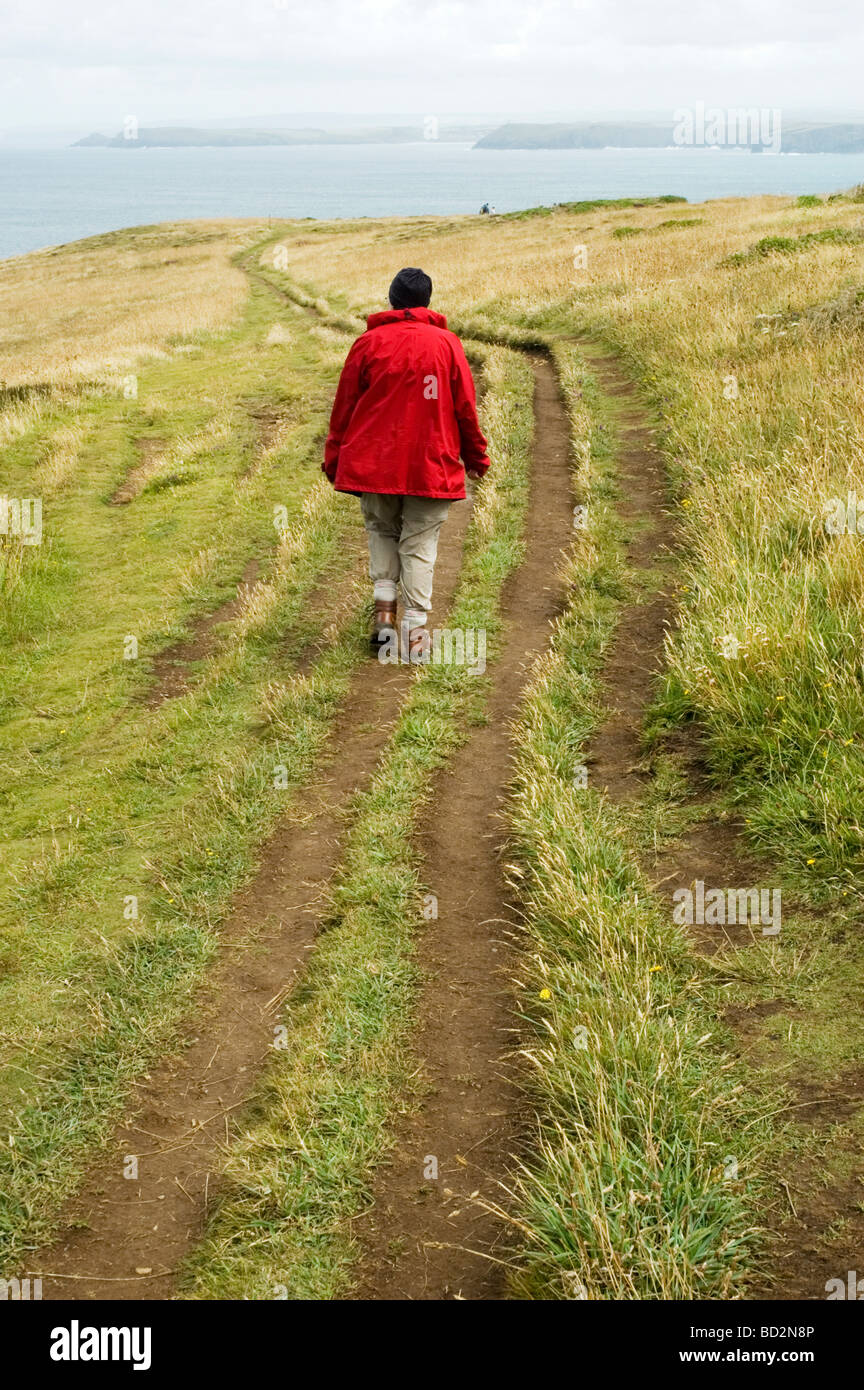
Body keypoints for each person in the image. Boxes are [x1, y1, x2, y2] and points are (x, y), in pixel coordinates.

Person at [323, 266, 490, 662]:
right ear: (427, 302)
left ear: (392, 300)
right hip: (430, 464)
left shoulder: (368, 344)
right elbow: (466, 408)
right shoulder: (447, 344)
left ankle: (384, 617)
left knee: (381, 531)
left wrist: (335, 457)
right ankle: (415, 638)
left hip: (376, 463)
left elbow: (343, 409)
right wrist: (476, 456)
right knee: (419, 546)